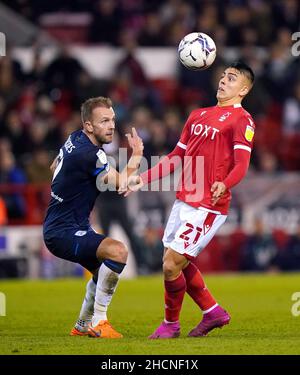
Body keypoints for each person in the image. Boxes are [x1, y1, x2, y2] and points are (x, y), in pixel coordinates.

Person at [120, 62, 255, 339]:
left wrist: (224, 183)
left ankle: (171, 324)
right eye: (223, 76)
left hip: (209, 204)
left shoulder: (242, 120)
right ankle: (213, 312)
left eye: (231, 78)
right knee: (176, 262)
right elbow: (174, 158)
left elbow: (242, 165)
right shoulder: (197, 115)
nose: (223, 80)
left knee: (171, 264)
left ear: (244, 89)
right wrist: (142, 179)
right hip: (185, 198)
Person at [43, 96, 143, 338]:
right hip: (63, 232)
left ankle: (81, 326)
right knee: (118, 251)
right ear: (89, 125)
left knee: (101, 272)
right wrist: (137, 154)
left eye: (112, 120)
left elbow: (53, 167)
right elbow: (121, 184)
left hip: (66, 225)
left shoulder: (74, 139)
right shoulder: (91, 155)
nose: (111, 126)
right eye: (104, 121)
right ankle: (100, 322)